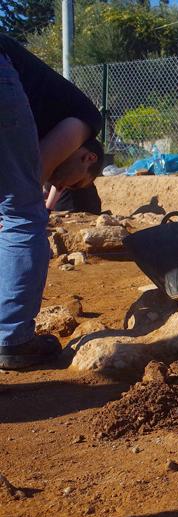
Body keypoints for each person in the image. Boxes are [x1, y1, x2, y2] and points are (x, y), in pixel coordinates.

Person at [0, 35, 104, 370]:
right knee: (22, 215)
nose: (62, 186)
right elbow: (36, 173)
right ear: (88, 157)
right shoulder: (86, 120)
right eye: (75, 182)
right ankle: (11, 339)